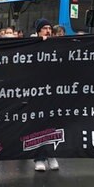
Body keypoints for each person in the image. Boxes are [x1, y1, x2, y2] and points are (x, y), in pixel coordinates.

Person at [33, 18, 59, 172]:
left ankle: (52, 155)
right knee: (38, 125)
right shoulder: (31, 45)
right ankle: (39, 157)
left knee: (53, 125)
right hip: (36, 92)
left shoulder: (56, 44)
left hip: (53, 92)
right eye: (44, 28)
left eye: (50, 28)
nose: (48, 31)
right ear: (38, 31)